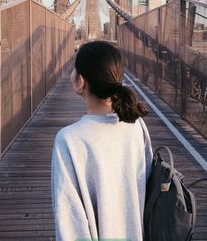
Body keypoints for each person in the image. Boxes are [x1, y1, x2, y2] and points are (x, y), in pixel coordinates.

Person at [51, 40, 153, 241]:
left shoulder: (69, 140)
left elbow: (69, 217)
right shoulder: (136, 125)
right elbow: (146, 185)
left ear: (81, 81)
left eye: (74, 69)